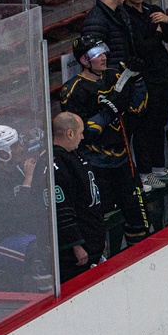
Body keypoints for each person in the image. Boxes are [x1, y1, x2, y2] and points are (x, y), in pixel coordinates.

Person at [61, 33, 150, 249]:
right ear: (83, 60)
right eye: (95, 53)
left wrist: (136, 79)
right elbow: (84, 133)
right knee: (101, 223)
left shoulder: (115, 76)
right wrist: (111, 108)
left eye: (103, 51)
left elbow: (139, 107)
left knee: (139, 220)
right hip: (96, 167)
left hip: (123, 162)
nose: (102, 57)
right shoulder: (72, 90)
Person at [122, 0, 168, 190]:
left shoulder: (153, 10)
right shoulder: (126, 16)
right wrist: (156, 35)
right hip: (144, 79)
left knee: (160, 123)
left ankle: (158, 167)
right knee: (144, 127)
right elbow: (143, 47)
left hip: (163, 76)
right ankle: (145, 173)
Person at [0, 125, 51, 290]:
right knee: (36, 251)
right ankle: (47, 296)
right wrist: (28, 178)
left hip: (13, 234)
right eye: (14, 146)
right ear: (1, 153)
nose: (20, 149)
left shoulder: (12, 169)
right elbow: (15, 214)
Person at [51, 112, 104, 282]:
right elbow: (61, 209)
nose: (82, 137)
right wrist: (76, 245)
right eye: (80, 132)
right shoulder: (56, 164)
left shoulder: (72, 155)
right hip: (77, 255)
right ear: (69, 133)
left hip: (91, 243)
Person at [81, 0, 136, 70]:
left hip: (127, 77)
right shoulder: (96, 20)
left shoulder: (121, 13)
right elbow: (93, 58)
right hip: (112, 81)